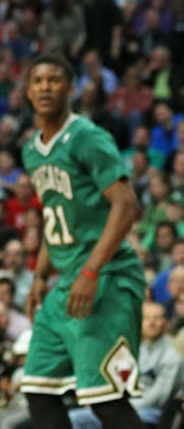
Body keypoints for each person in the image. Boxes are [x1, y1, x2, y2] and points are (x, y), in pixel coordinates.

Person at [20, 52, 146, 429]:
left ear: (71, 88)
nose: (45, 86)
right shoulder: (31, 151)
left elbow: (126, 206)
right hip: (65, 285)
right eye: (38, 80)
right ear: (28, 91)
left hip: (105, 278)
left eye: (54, 80)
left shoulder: (88, 137)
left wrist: (90, 272)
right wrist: (40, 276)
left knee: (106, 401)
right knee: (38, 391)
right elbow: (54, 215)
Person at [69, 301, 184, 428]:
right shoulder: (128, 349)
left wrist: (123, 406)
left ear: (165, 323)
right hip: (122, 405)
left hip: (152, 411)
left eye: (156, 318)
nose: (151, 323)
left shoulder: (171, 356)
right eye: (146, 318)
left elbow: (159, 397)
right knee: (74, 418)